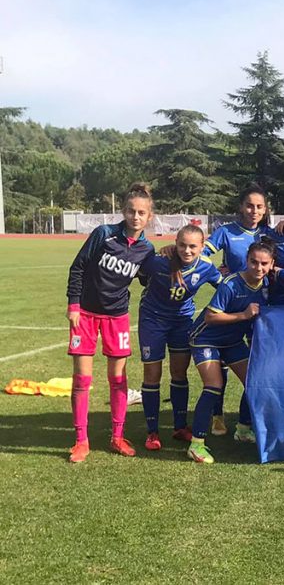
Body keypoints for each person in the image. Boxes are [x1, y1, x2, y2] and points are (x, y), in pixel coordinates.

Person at [65, 182, 156, 463]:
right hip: (86, 315)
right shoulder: (104, 234)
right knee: (82, 379)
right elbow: (78, 267)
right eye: (131, 211)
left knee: (118, 379)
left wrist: (164, 258)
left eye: (141, 212)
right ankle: (81, 441)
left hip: (117, 316)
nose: (136, 217)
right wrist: (74, 305)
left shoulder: (146, 249)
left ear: (149, 216)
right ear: (124, 211)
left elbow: (147, 278)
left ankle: (117, 437)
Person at [186, 240, 275, 464]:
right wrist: (243, 315)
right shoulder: (231, 284)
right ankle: (196, 444)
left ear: (272, 264)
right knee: (213, 386)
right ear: (247, 260)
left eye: (264, 263)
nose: (258, 267)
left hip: (232, 341)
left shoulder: (267, 284)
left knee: (254, 382)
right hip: (205, 339)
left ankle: (243, 429)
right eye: (254, 262)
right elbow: (210, 317)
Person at [137, 224, 222, 451]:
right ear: (175, 244)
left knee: (179, 372)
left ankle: (180, 426)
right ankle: (152, 432)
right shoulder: (158, 262)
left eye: (193, 246)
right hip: (152, 321)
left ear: (202, 247)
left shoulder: (206, 266)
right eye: (182, 245)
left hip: (182, 322)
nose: (187, 250)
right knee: (152, 374)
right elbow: (140, 275)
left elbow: (225, 288)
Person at [200, 185, 271, 436]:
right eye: (249, 205)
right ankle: (217, 415)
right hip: (231, 305)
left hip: (258, 309)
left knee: (255, 366)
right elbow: (201, 255)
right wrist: (219, 279)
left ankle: (246, 422)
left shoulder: (268, 233)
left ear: (265, 209)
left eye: (259, 206)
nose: (254, 211)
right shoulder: (226, 231)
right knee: (222, 362)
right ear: (241, 206)